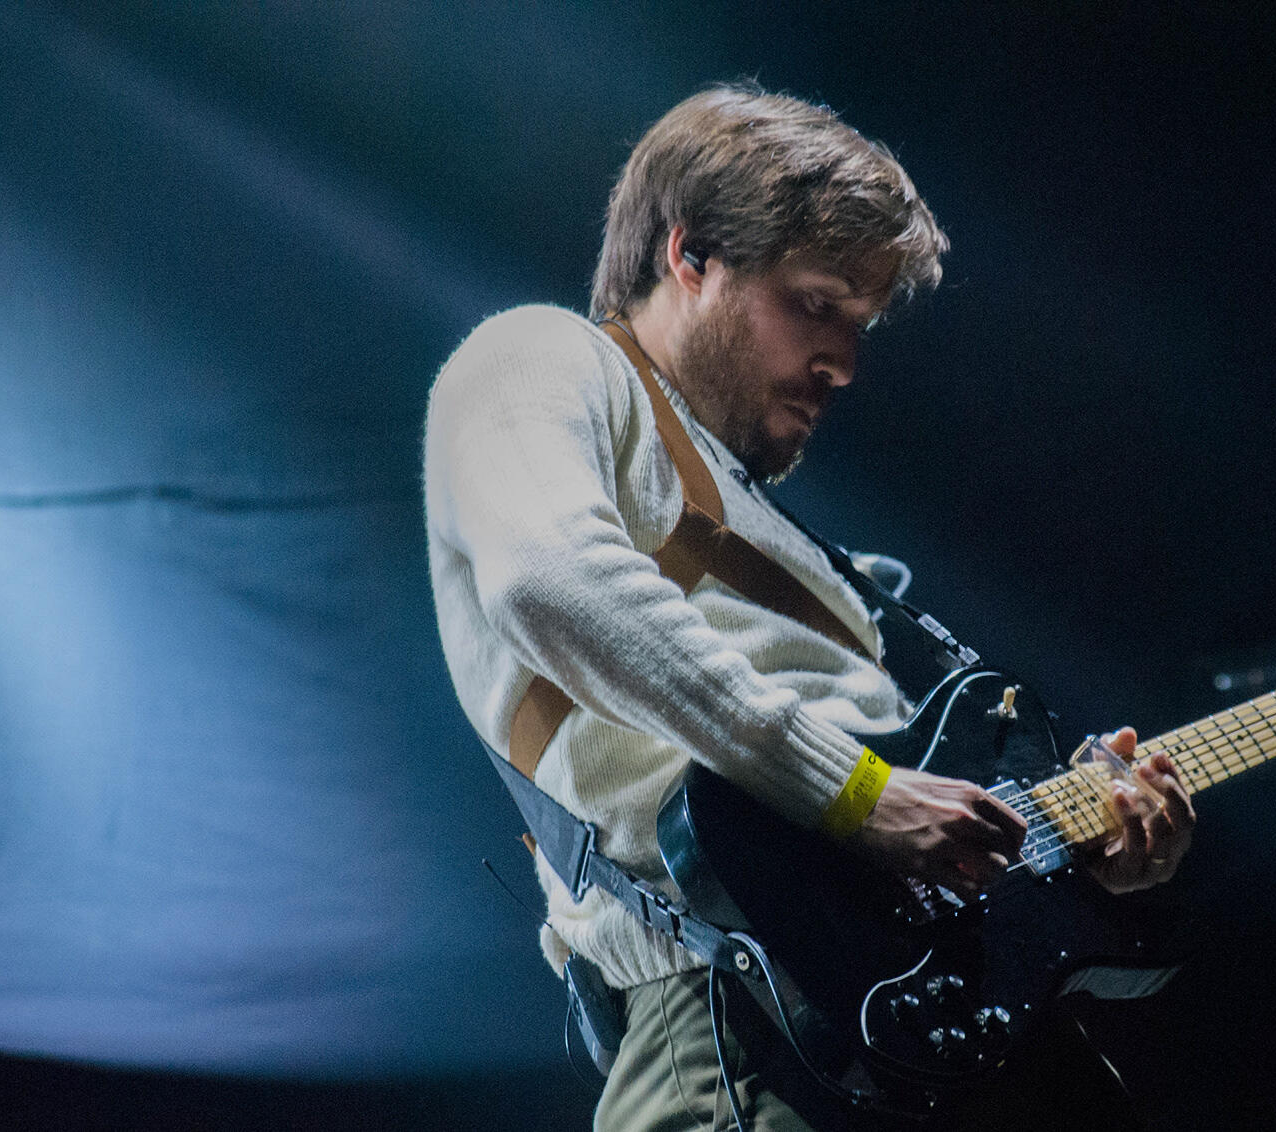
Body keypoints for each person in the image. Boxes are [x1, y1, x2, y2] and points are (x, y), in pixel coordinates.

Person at [424, 82, 1195, 1131]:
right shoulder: (541, 357)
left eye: (859, 323)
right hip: (746, 1032)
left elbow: (927, 812)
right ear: (690, 255)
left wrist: (1084, 849)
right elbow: (545, 572)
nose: (843, 363)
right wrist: (855, 790)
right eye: (816, 303)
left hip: (947, 1040)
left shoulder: (800, 546)